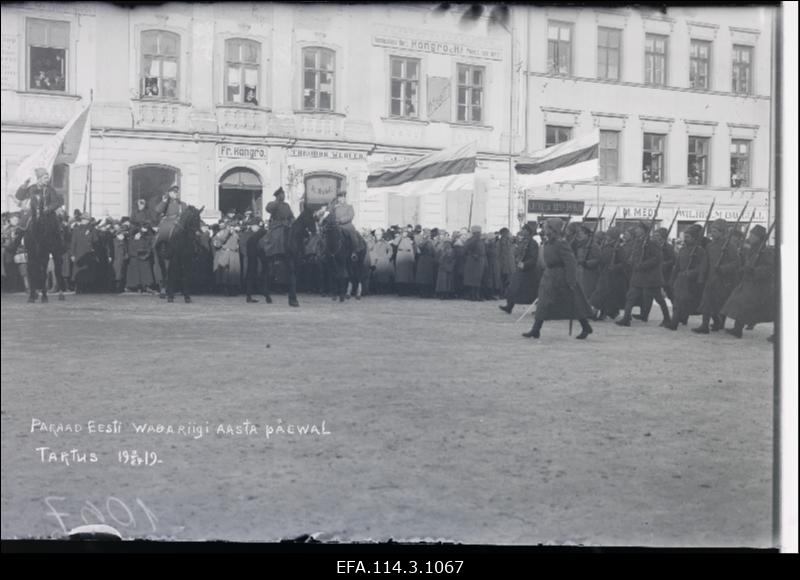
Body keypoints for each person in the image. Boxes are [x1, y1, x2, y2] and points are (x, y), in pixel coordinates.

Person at [522, 218, 594, 340]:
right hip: (549, 276)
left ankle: (585, 326)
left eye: (546, 227)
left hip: (561, 277)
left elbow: (571, 262)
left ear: (552, 229)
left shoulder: (561, 243)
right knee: (543, 302)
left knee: (573, 303)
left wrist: (571, 280)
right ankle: (536, 330)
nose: (544, 229)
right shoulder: (548, 242)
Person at [721, 225, 775, 338]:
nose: (750, 237)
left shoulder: (766, 251)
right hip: (748, 282)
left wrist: (755, 271)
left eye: (752, 235)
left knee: (749, 306)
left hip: (758, 285)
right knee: (740, 304)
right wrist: (744, 269)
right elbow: (748, 263)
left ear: (759, 238)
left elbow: (769, 268)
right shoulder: (752, 249)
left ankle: (777, 333)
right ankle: (737, 329)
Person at [616, 221, 672, 328]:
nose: (636, 230)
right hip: (639, 275)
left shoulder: (651, 242)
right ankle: (626, 318)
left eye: (638, 228)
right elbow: (635, 255)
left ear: (644, 230)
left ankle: (667, 319)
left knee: (659, 298)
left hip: (650, 276)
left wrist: (643, 265)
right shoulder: (638, 241)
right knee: (631, 296)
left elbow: (657, 258)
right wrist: (631, 261)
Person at [693, 219, 740, 334]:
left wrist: (723, 269)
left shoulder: (730, 246)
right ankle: (704, 325)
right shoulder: (710, 246)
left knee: (720, 303)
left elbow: (736, 263)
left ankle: (720, 323)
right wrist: (701, 277)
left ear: (722, 232)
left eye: (715, 231)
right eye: (711, 231)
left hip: (724, 279)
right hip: (711, 278)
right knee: (707, 301)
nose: (712, 234)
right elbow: (705, 262)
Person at [667, 225, 707, 330]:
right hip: (681, 279)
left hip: (692, 282)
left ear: (694, 238)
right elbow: (677, 266)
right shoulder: (682, 250)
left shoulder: (700, 251)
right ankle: (674, 322)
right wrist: (672, 279)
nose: (685, 239)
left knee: (689, 303)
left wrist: (691, 273)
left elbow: (701, 267)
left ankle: (717, 321)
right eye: (685, 236)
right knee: (677, 301)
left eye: (688, 237)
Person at [499, 224, 540, 315]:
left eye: (524, 230)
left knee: (533, 292)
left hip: (529, 271)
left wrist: (525, 264)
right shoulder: (522, 241)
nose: (522, 231)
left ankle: (539, 309)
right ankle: (509, 306)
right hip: (520, 269)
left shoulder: (533, 243)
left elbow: (534, 258)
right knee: (513, 288)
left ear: (528, 232)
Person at [328, 191, 364, 261]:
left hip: (347, 225)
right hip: (337, 226)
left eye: (342, 198)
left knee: (352, 234)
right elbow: (330, 213)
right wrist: (331, 206)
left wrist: (341, 220)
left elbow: (350, 216)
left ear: (345, 198)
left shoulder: (349, 206)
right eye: (339, 198)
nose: (340, 199)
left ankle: (354, 252)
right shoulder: (335, 207)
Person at [462, 225, 486, 301]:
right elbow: (465, 249)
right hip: (474, 262)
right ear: (475, 233)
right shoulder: (472, 240)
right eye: (478, 232)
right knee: (473, 279)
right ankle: (473, 295)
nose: (480, 234)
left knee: (478, 279)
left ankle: (476, 295)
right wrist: (472, 254)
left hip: (480, 262)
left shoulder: (479, 240)